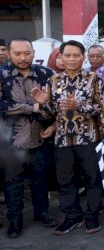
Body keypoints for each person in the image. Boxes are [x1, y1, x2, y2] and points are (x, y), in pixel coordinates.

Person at [31, 40, 103, 235]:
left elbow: (99, 108)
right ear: (60, 57)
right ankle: (72, 216)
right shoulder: (53, 81)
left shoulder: (94, 79)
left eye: (76, 55)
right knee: (65, 180)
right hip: (62, 140)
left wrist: (77, 106)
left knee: (92, 178)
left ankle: (92, 216)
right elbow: (49, 114)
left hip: (87, 138)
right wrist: (43, 103)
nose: (71, 59)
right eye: (67, 55)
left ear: (83, 57)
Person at [0, 38, 58, 238]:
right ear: (8, 54)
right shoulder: (2, 75)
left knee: (40, 180)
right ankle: (15, 221)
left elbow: (55, 105)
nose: (23, 58)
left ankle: (42, 213)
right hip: (11, 142)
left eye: (27, 53)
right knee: (13, 184)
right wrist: (34, 106)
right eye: (17, 54)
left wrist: (52, 124)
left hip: (41, 137)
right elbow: (2, 106)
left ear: (33, 52)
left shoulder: (46, 74)